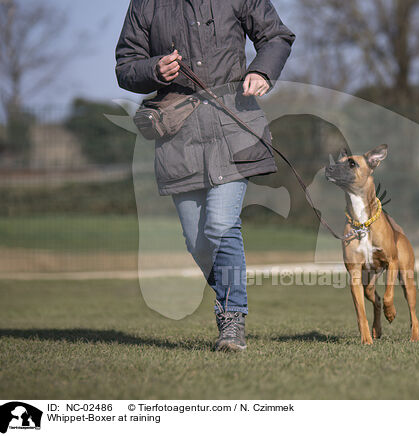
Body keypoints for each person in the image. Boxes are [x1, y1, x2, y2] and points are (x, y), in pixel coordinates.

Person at [115, 0, 295, 351]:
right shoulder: (146, 4)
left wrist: (261, 71)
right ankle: (233, 285)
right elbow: (125, 66)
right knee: (197, 242)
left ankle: (231, 320)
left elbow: (276, 36)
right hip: (178, 137)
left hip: (235, 127)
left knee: (220, 226)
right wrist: (154, 69)